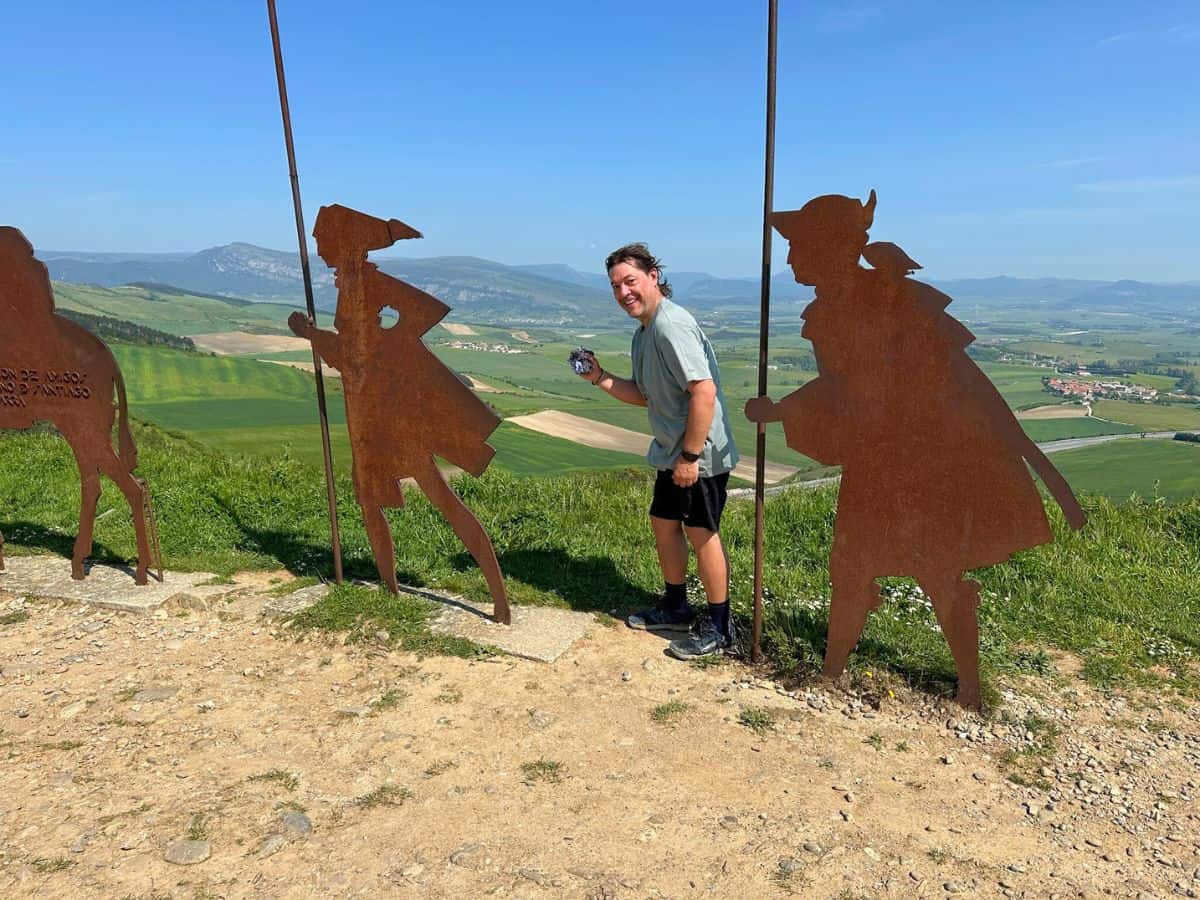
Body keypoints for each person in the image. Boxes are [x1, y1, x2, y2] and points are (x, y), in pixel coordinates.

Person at [745, 191, 1086, 707]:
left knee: (934, 566)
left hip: (921, 461)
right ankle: (833, 672)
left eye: (798, 245)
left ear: (830, 246)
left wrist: (784, 410)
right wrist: (789, 409)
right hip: (876, 459)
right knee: (853, 563)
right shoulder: (831, 309)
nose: (789, 257)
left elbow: (873, 386)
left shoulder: (887, 299)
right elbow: (847, 390)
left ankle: (969, 689)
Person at [288, 204, 510, 624]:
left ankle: (497, 598)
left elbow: (420, 315)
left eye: (321, 239)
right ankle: (390, 592)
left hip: (386, 409)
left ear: (341, 241)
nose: (316, 247)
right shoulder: (349, 284)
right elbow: (351, 354)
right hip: (366, 405)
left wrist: (386, 348)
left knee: (439, 495)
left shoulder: (368, 283)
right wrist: (322, 337)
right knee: (370, 497)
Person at [576, 243, 739, 659]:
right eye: (616, 286)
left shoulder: (670, 326)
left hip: (697, 453)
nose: (623, 292)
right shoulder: (645, 332)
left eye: (630, 281)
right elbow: (644, 394)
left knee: (702, 533)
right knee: (664, 522)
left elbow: (704, 393)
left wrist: (689, 458)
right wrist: (599, 377)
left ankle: (720, 627)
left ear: (653, 276)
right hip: (673, 451)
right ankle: (676, 606)